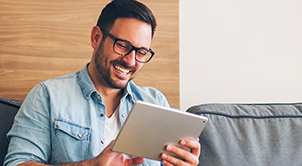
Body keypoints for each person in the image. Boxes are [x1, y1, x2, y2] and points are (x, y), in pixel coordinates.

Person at [4, 0, 200, 166]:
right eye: (123, 45)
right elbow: (17, 163)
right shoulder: (47, 95)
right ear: (96, 37)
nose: (130, 61)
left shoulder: (156, 101)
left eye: (141, 52)